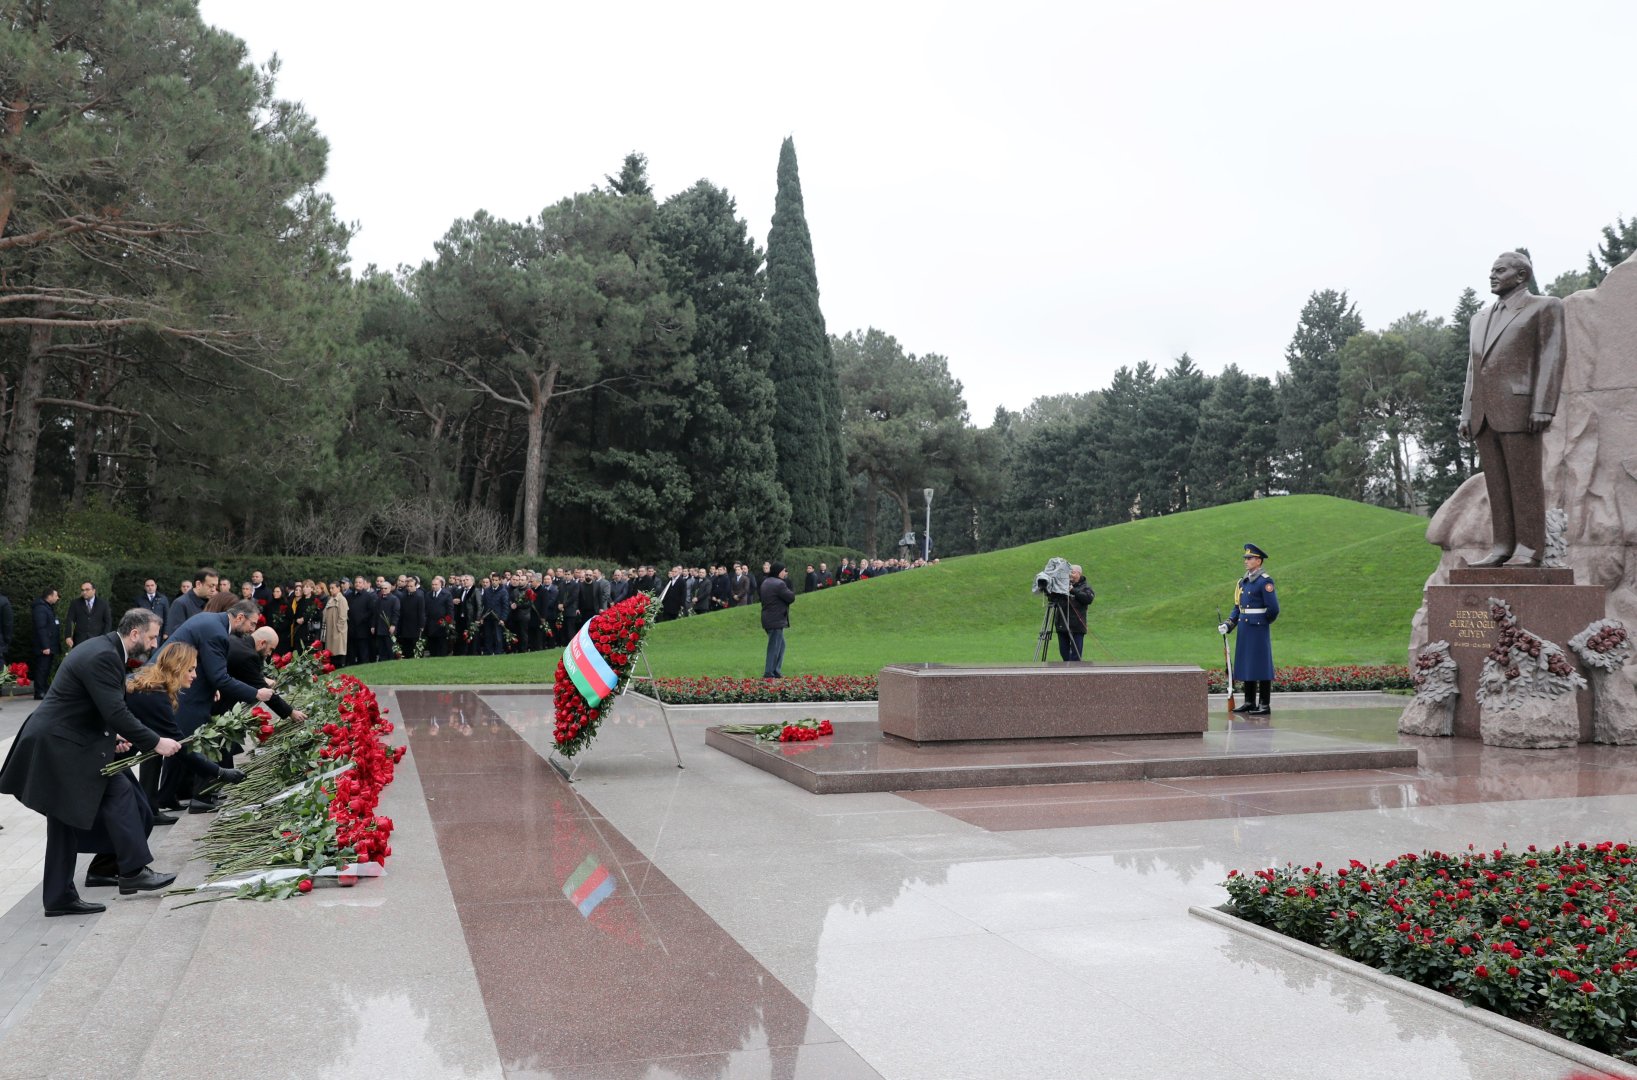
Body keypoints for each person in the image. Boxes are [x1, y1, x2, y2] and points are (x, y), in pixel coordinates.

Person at [0, 608, 182, 916]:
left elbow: (93, 705)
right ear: (135, 633)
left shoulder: (105, 649)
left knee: (64, 820)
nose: (154, 645)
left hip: (61, 740)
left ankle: (59, 897)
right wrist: (155, 741)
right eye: (152, 637)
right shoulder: (104, 656)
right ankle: (133, 870)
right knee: (120, 791)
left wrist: (113, 738)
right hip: (59, 744)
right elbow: (115, 712)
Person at [1458, 250, 1566, 568]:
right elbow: (1472, 370)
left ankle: (1530, 548)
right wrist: (1466, 413)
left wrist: (1544, 406)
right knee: (1498, 484)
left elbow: (1552, 356)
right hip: (1484, 415)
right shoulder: (1478, 319)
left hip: (1520, 410)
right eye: (1491, 270)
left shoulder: (1545, 307)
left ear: (1521, 276)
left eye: (1500, 270)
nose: (1492, 275)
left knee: (1525, 482)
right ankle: (1502, 546)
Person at [162, 600, 271, 812]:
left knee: (183, 741)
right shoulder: (219, 633)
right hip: (183, 689)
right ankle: (200, 798)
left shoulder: (214, 624)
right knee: (192, 741)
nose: (252, 630)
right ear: (240, 618)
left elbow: (211, 670)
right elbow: (220, 676)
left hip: (185, 685)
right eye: (252, 624)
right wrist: (256, 692)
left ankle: (169, 796)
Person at [125, 640, 198, 823]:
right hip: (107, 745)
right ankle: (147, 809)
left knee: (155, 746)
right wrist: (217, 771)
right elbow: (177, 741)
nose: (195, 675)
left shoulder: (156, 685)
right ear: (177, 668)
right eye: (190, 670)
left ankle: (150, 807)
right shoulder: (155, 693)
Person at [1218, 543, 1280, 716]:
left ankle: (1264, 704)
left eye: (1250, 558)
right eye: (1245, 558)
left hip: (1258, 628)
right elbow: (1238, 607)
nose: (1246, 561)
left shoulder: (1264, 581)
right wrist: (1229, 624)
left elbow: (1273, 609)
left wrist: (1262, 622)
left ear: (1258, 561)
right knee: (1247, 664)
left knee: (1262, 665)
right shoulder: (1243, 582)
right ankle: (1249, 702)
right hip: (1245, 628)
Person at [1048, 564, 1096, 661]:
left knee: (1076, 656)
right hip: (1062, 624)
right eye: (1069, 572)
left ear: (1079, 574)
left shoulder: (1085, 587)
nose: (1070, 575)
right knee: (1064, 653)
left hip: (1077, 626)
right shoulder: (1061, 585)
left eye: (1073, 572)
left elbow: (1088, 598)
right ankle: (1067, 672)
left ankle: (1075, 674)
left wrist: (1072, 590)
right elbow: (1052, 599)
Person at [759, 563, 795, 679]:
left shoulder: (766, 581)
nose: (785, 573)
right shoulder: (779, 584)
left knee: (781, 645)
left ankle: (776, 671)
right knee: (774, 646)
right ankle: (769, 673)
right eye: (784, 570)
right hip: (775, 619)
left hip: (768, 618)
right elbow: (791, 597)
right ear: (779, 572)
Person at [163, 567, 216, 639]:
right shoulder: (180, 603)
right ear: (198, 584)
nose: (214, 590)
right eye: (211, 586)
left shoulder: (212, 602)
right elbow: (176, 636)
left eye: (215, 586)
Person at [65, 580, 112, 651]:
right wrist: (68, 636)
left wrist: (104, 638)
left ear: (94, 590)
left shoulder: (103, 604)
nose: (84, 592)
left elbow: (108, 622)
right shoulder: (75, 603)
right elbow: (69, 620)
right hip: (79, 641)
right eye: (82, 590)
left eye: (87, 590)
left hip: (97, 641)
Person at [31, 588, 60, 698]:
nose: (57, 598)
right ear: (50, 596)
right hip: (44, 646)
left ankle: (43, 688)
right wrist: (45, 646)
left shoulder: (47, 608)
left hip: (49, 645)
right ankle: (39, 691)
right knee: (42, 669)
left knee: (46, 668)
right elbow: (41, 628)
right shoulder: (40, 609)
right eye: (56, 596)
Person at [322, 581, 349, 662]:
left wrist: (339, 628)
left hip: (337, 630)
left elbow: (343, 616)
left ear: (338, 588)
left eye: (333, 588)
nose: (331, 590)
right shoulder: (331, 599)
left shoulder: (341, 599)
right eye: (330, 588)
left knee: (339, 649)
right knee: (332, 650)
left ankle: (340, 665)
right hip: (330, 629)